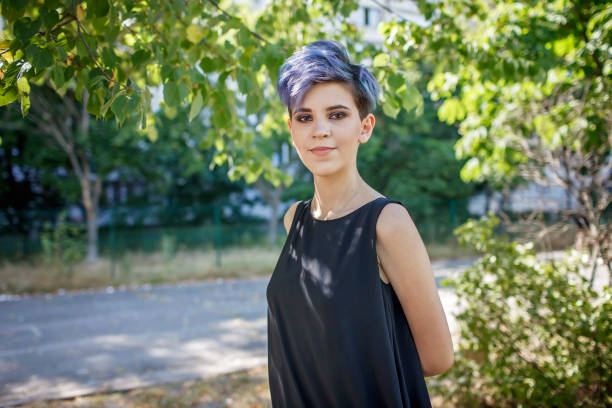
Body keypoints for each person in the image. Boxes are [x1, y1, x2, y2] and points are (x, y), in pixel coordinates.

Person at [266, 40, 454, 407]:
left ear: (364, 127)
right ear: (292, 131)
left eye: (337, 115)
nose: (320, 130)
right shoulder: (295, 220)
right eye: (305, 117)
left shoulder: (386, 222)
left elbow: (437, 358)